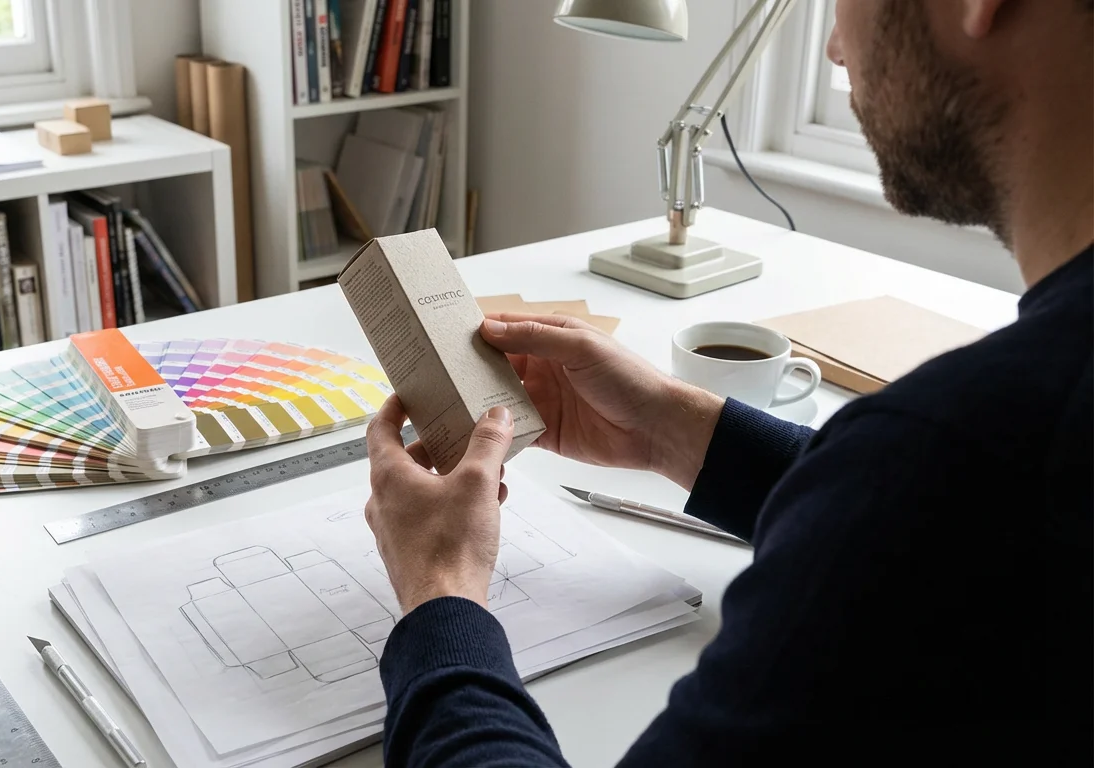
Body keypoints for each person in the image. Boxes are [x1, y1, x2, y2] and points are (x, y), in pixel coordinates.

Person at [362, 0, 1092, 764]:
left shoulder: (958, 458)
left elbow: (935, 499)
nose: (836, 47)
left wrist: (439, 596)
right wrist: (673, 428)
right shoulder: (973, 468)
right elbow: (947, 521)